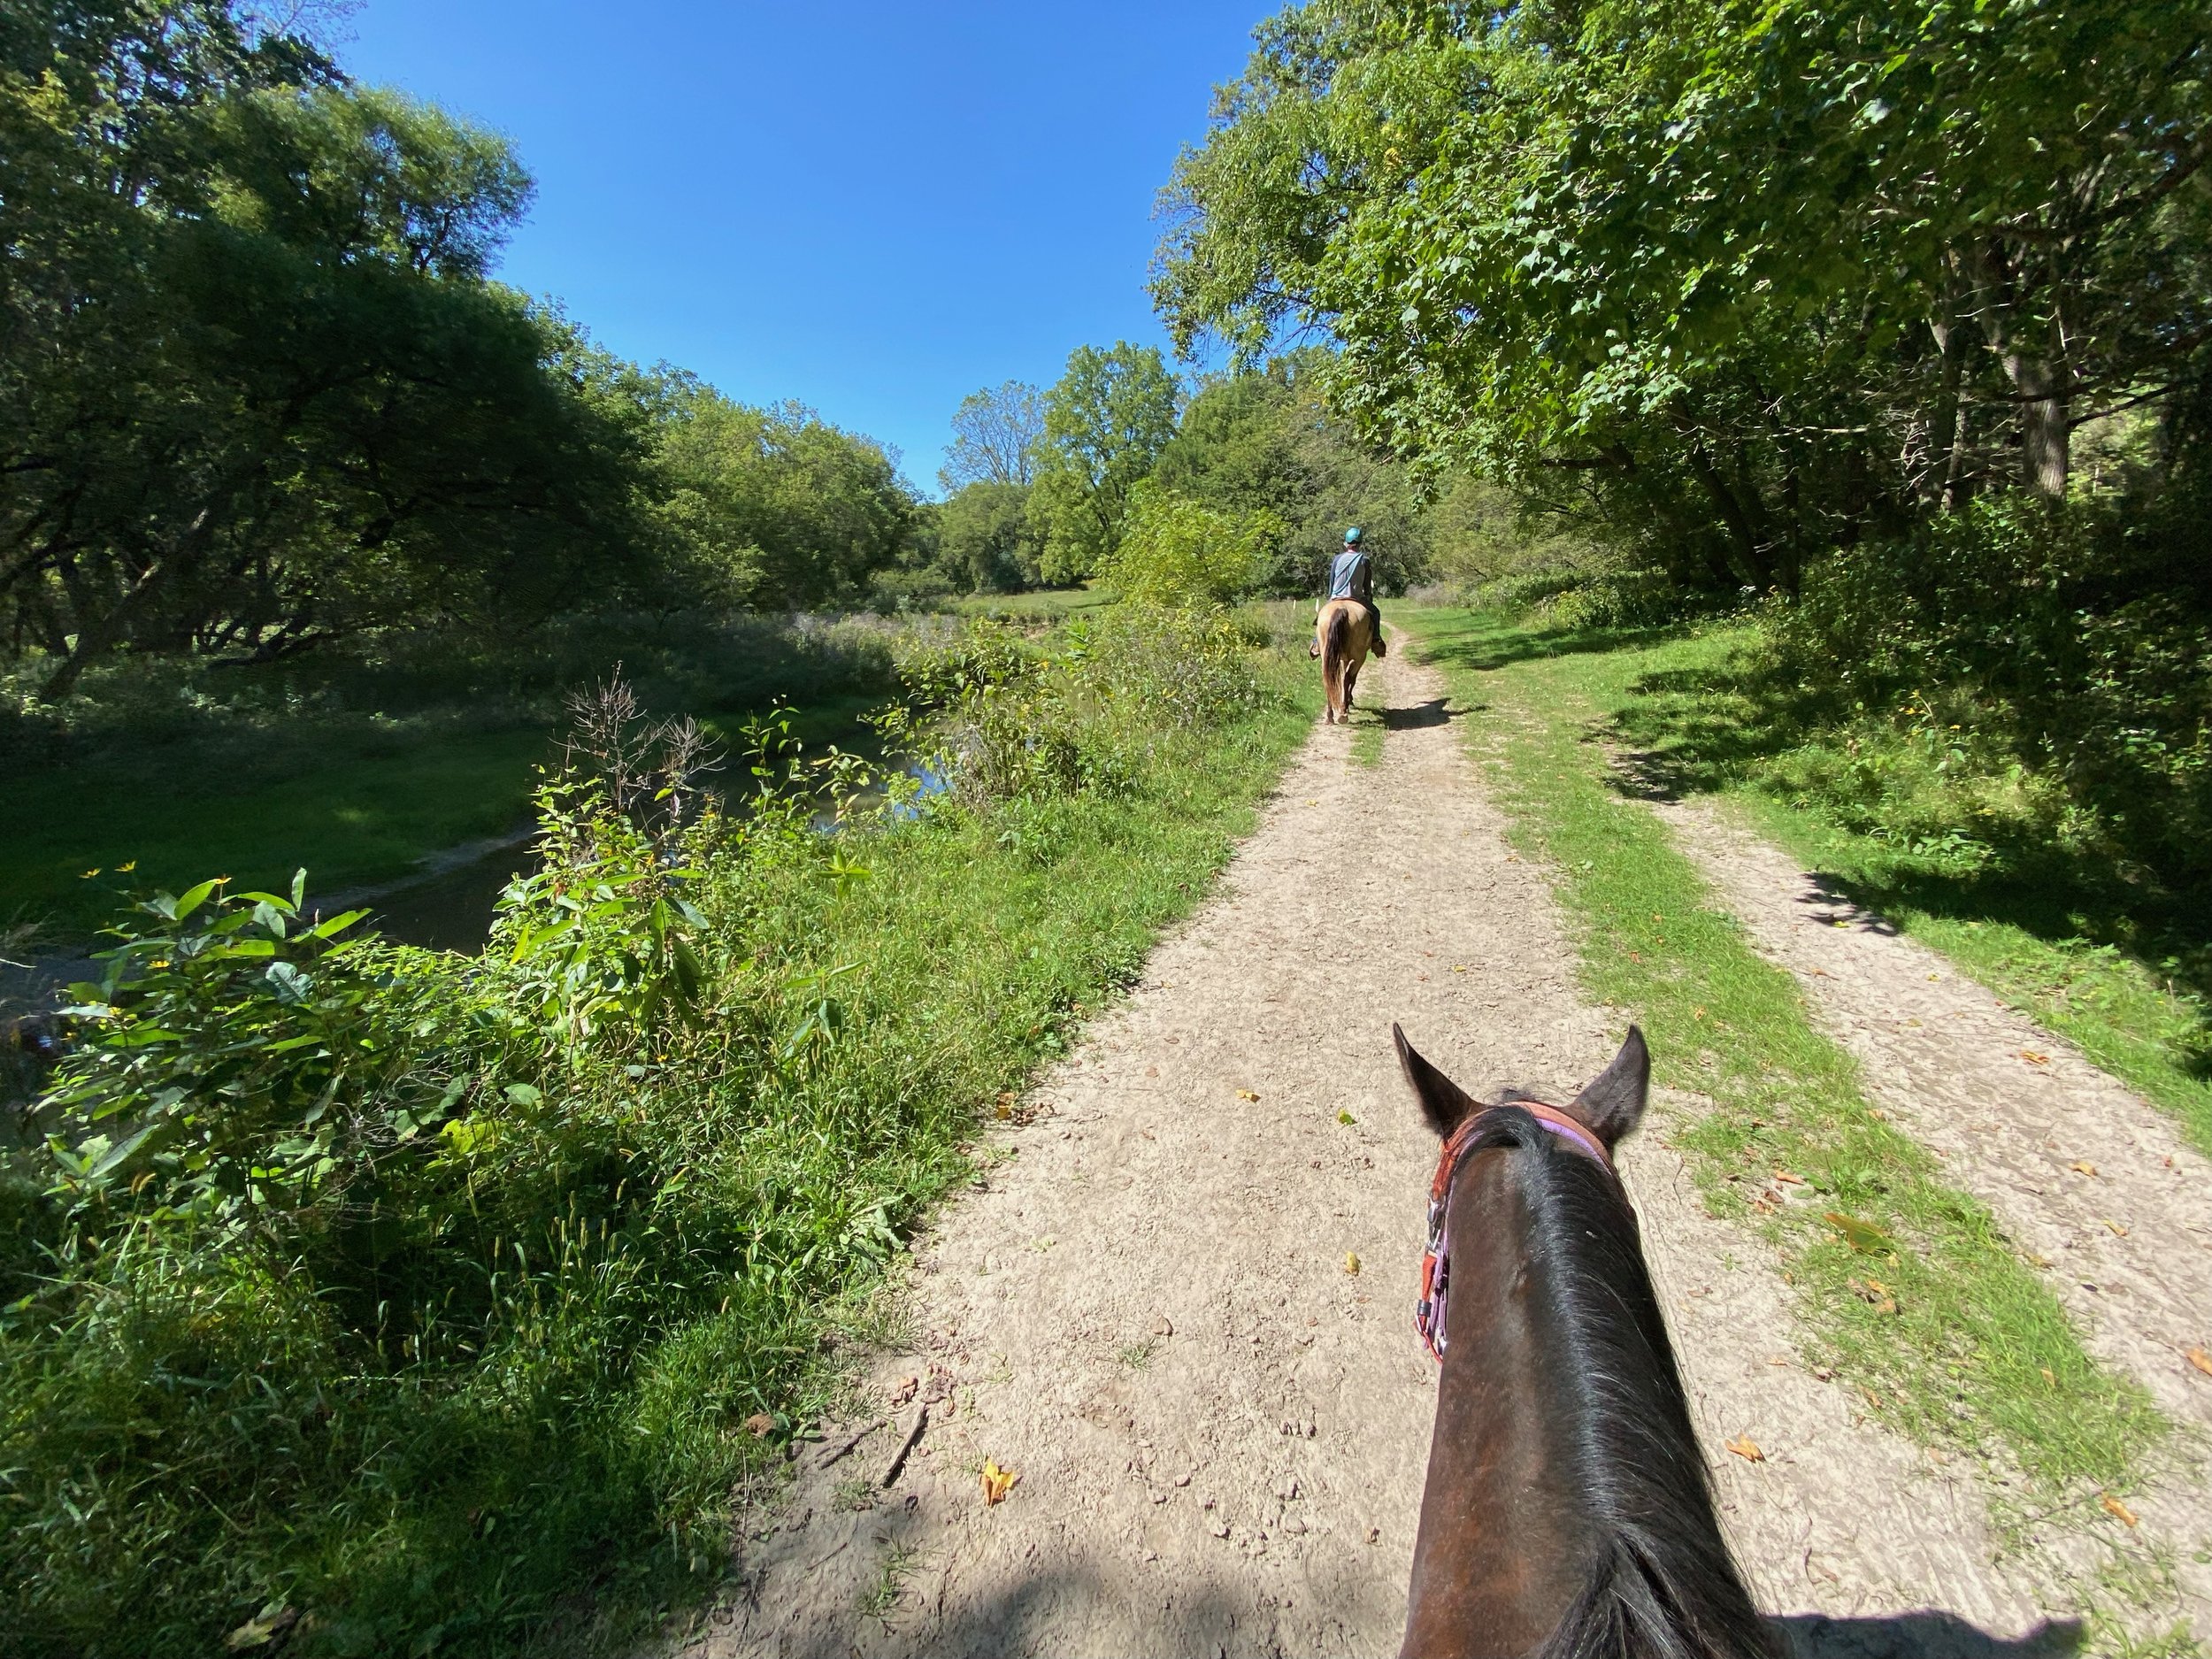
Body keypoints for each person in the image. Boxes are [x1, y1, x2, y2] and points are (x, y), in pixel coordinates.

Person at [1314, 526, 1386, 657]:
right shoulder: (1364, 560)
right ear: (1360, 543)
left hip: (1336, 596)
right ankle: (1376, 641)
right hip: (1357, 597)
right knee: (1375, 613)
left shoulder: (1337, 559)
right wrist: (1368, 598)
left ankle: (1316, 644)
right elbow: (1367, 587)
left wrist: (1331, 596)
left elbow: (1332, 581)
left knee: (1321, 616)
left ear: (1346, 543)